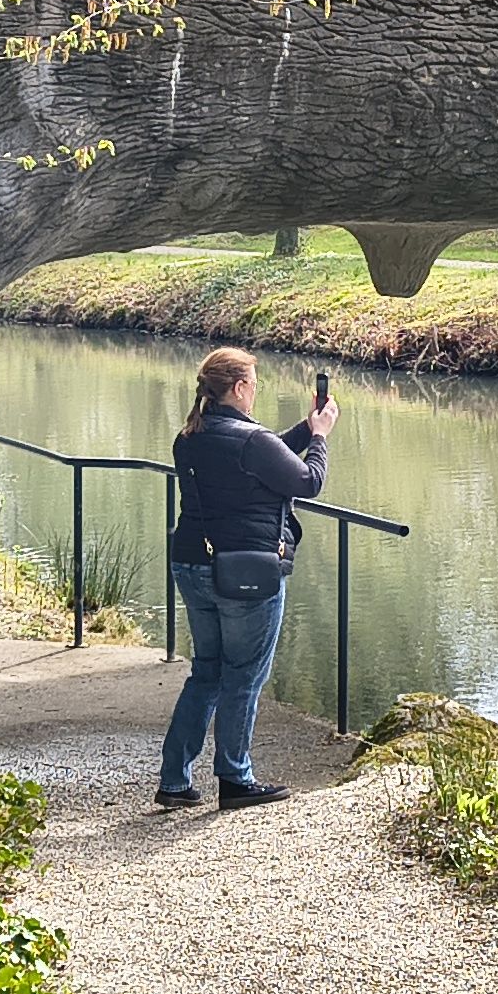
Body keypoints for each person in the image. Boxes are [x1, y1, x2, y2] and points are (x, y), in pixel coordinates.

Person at [160, 344, 335, 810]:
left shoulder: (190, 435)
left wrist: (306, 426)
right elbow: (307, 482)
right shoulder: (250, 441)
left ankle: (174, 780)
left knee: (207, 672)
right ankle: (236, 778)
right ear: (238, 388)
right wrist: (320, 439)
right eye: (254, 385)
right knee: (244, 676)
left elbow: (259, 453)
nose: (256, 392)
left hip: (192, 563)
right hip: (245, 571)